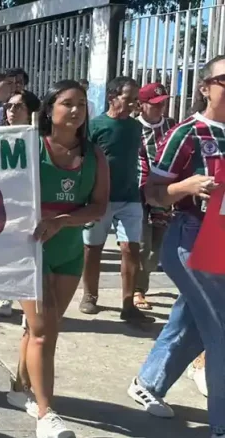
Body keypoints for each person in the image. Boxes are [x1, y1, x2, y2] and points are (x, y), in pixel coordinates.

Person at [127, 56, 225, 438]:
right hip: (192, 234)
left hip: (221, 236)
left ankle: (149, 383)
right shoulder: (188, 133)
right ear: (205, 87)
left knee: (196, 323)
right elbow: (152, 193)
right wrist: (187, 187)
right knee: (220, 327)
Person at [7, 80, 109, 438]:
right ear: (50, 110)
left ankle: (18, 388)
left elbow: (98, 207)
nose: (77, 110)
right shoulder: (29, 147)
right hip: (28, 250)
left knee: (42, 329)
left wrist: (62, 222)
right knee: (43, 331)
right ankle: (46, 414)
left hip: (68, 252)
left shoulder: (94, 155)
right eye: (68, 103)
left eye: (82, 103)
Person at [79, 76, 152, 323]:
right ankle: (89, 295)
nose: (133, 104)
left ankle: (128, 304)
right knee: (92, 249)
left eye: (135, 99)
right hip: (99, 198)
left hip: (130, 197)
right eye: (128, 98)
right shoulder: (95, 125)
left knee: (131, 249)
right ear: (112, 97)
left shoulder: (135, 127)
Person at [0, 90, 39, 318]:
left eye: (18, 107)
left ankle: (28, 303)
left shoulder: (37, 139)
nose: (11, 111)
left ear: (30, 111)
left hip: (28, 206)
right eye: (9, 106)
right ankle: (6, 295)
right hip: (3, 204)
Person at [133, 82, 176, 311]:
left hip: (164, 193)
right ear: (141, 105)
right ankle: (137, 290)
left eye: (162, 104)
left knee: (156, 246)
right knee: (140, 243)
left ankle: (142, 285)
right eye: (154, 105)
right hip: (137, 193)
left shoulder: (171, 127)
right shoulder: (132, 128)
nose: (160, 108)